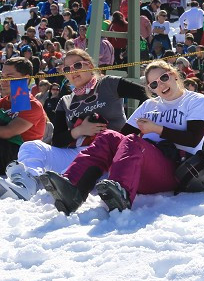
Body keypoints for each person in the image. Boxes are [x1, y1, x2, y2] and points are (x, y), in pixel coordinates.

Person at [38, 60, 204, 214]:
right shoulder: (150, 105)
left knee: (134, 142)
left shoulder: (195, 101)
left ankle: (120, 192)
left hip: (176, 168)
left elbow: (193, 139)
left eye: (163, 78)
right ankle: (73, 187)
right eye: (153, 85)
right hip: (145, 167)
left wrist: (156, 129)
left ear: (173, 75)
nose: (160, 85)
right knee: (108, 137)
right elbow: (121, 136)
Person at [2, 50, 147, 200]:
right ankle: (27, 185)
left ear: (89, 65)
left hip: (110, 152)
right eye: (67, 69)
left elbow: (145, 95)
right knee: (31, 146)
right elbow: (57, 140)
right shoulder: (65, 101)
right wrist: (78, 131)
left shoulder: (108, 83)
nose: (72, 72)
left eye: (77, 65)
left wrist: (134, 128)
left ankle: (60, 183)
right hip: (78, 152)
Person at [0, 57, 48, 178]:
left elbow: (7, 133)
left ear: (25, 78)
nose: (3, 81)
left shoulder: (32, 105)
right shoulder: (2, 102)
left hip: (22, 160)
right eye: (2, 76)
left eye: (9, 77)